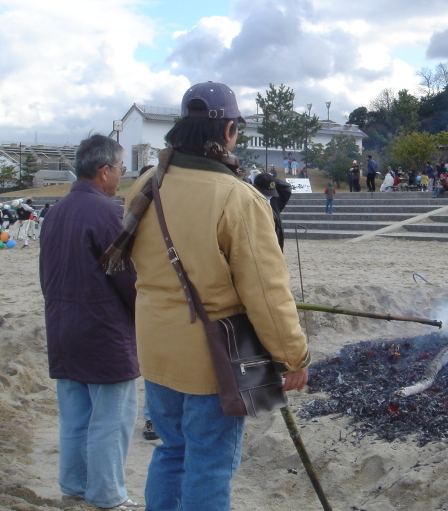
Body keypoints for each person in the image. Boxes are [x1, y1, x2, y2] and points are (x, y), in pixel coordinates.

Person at [104, 81, 309, 511]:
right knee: (210, 463)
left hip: (157, 347)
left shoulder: (146, 184)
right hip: (211, 356)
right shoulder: (236, 196)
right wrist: (292, 357)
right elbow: (267, 292)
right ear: (229, 130)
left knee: (172, 450)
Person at [39, 134, 140, 509]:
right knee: (111, 418)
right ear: (104, 172)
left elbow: (45, 273)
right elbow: (128, 278)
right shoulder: (105, 213)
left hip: (63, 325)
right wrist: (144, 313)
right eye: (120, 169)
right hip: (103, 330)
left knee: (76, 417)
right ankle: (108, 495)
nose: (121, 176)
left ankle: (74, 486)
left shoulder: (56, 211)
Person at [253, 172, 292, 251]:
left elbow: (286, 187)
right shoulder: (249, 203)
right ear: (255, 187)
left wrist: (271, 180)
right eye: (265, 191)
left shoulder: (274, 202)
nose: (268, 195)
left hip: (274, 246)